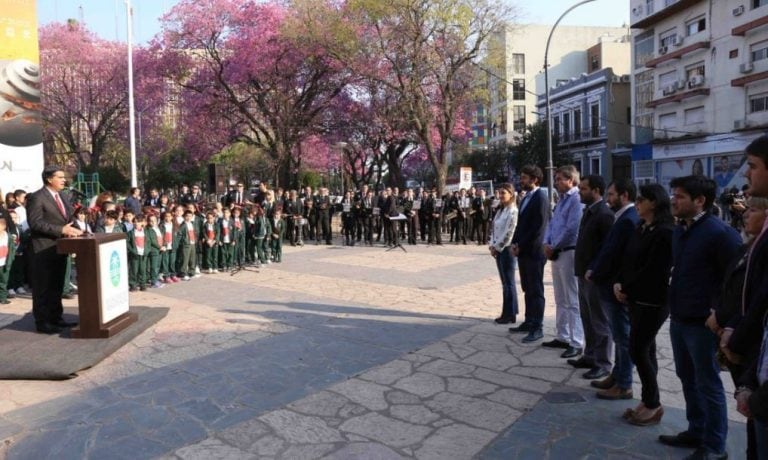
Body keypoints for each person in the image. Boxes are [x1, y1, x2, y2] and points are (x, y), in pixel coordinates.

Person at [657, 175, 741, 459]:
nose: (673, 201)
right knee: (686, 378)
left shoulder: (720, 234)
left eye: (680, 196)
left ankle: (715, 446)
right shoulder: (681, 230)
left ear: (700, 201)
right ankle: (697, 430)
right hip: (679, 318)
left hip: (703, 324)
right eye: (674, 195)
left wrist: (719, 314)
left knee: (708, 383)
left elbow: (734, 280)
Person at [613, 184, 675, 426]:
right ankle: (648, 400)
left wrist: (627, 288)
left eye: (642, 200)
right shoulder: (641, 227)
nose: (637, 204)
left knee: (637, 348)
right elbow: (628, 259)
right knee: (645, 349)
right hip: (635, 298)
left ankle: (653, 403)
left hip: (653, 300)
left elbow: (654, 270)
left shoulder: (665, 232)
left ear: (654, 203)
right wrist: (619, 282)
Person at [588, 179, 640, 400]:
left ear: (624, 195)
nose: (608, 200)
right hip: (607, 284)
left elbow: (619, 256)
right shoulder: (622, 218)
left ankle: (624, 383)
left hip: (614, 287)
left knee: (622, 337)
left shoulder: (629, 220)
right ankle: (617, 375)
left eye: (611, 195)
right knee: (618, 335)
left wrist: (597, 272)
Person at [26, 165, 83, 334]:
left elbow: (69, 218)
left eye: (64, 177)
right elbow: (35, 223)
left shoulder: (63, 196)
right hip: (43, 249)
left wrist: (80, 230)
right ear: (49, 179)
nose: (64, 180)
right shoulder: (37, 197)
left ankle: (56, 318)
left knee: (57, 285)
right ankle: (43, 322)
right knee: (44, 286)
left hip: (60, 247)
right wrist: (61, 230)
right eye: (60, 177)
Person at [571, 175, 615, 380]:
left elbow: (608, 248)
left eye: (583, 189)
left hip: (594, 277)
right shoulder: (589, 212)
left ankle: (603, 363)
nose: (580, 192)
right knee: (587, 318)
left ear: (596, 190)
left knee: (599, 321)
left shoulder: (604, 214)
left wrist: (596, 269)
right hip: (583, 273)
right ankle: (589, 355)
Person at [542, 165, 584, 359]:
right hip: (556, 252)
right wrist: (546, 242)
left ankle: (576, 341)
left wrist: (554, 245)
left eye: (559, 179)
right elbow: (552, 224)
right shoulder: (561, 201)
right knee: (560, 297)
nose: (556, 182)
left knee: (572, 298)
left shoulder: (576, 199)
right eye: (556, 178)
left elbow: (571, 229)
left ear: (571, 180)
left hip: (568, 252)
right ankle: (563, 335)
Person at [509, 166, 551, 343]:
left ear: (535, 179)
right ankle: (528, 320)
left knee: (536, 290)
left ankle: (537, 326)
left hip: (534, 252)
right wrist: (515, 243)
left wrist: (522, 245)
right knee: (527, 288)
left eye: (525, 178)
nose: (521, 180)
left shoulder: (541, 197)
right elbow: (521, 224)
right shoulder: (526, 197)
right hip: (523, 251)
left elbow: (538, 228)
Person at [489, 183, 519, 324]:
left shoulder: (513, 211)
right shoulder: (501, 210)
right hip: (498, 249)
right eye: (500, 193)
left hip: (506, 249)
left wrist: (498, 246)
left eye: (504, 193)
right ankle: (507, 311)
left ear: (511, 194)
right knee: (504, 283)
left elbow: (509, 232)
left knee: (509, 282)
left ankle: (510, 313)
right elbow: (494, 228)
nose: (501, 196)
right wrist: (492, 245)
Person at [126, 214, 149, 291]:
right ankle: (133, 284)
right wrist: (132, 250)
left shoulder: (146, 232)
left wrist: (147, 250)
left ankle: (142, 284)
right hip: (135, 254)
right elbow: (127, 243)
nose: (136, 224)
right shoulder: (130, 233)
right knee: (134, 270)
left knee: (142, 270)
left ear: (142, 223)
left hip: (143, 254)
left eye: (138, 222)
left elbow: (148, 242)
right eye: (135, 222)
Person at [0, 216, 15, 305]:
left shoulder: (8, 237)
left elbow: (12, 250)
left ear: (4, 226)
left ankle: (3, 298)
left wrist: (11, 259)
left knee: (3, 281)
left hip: (4, 263)